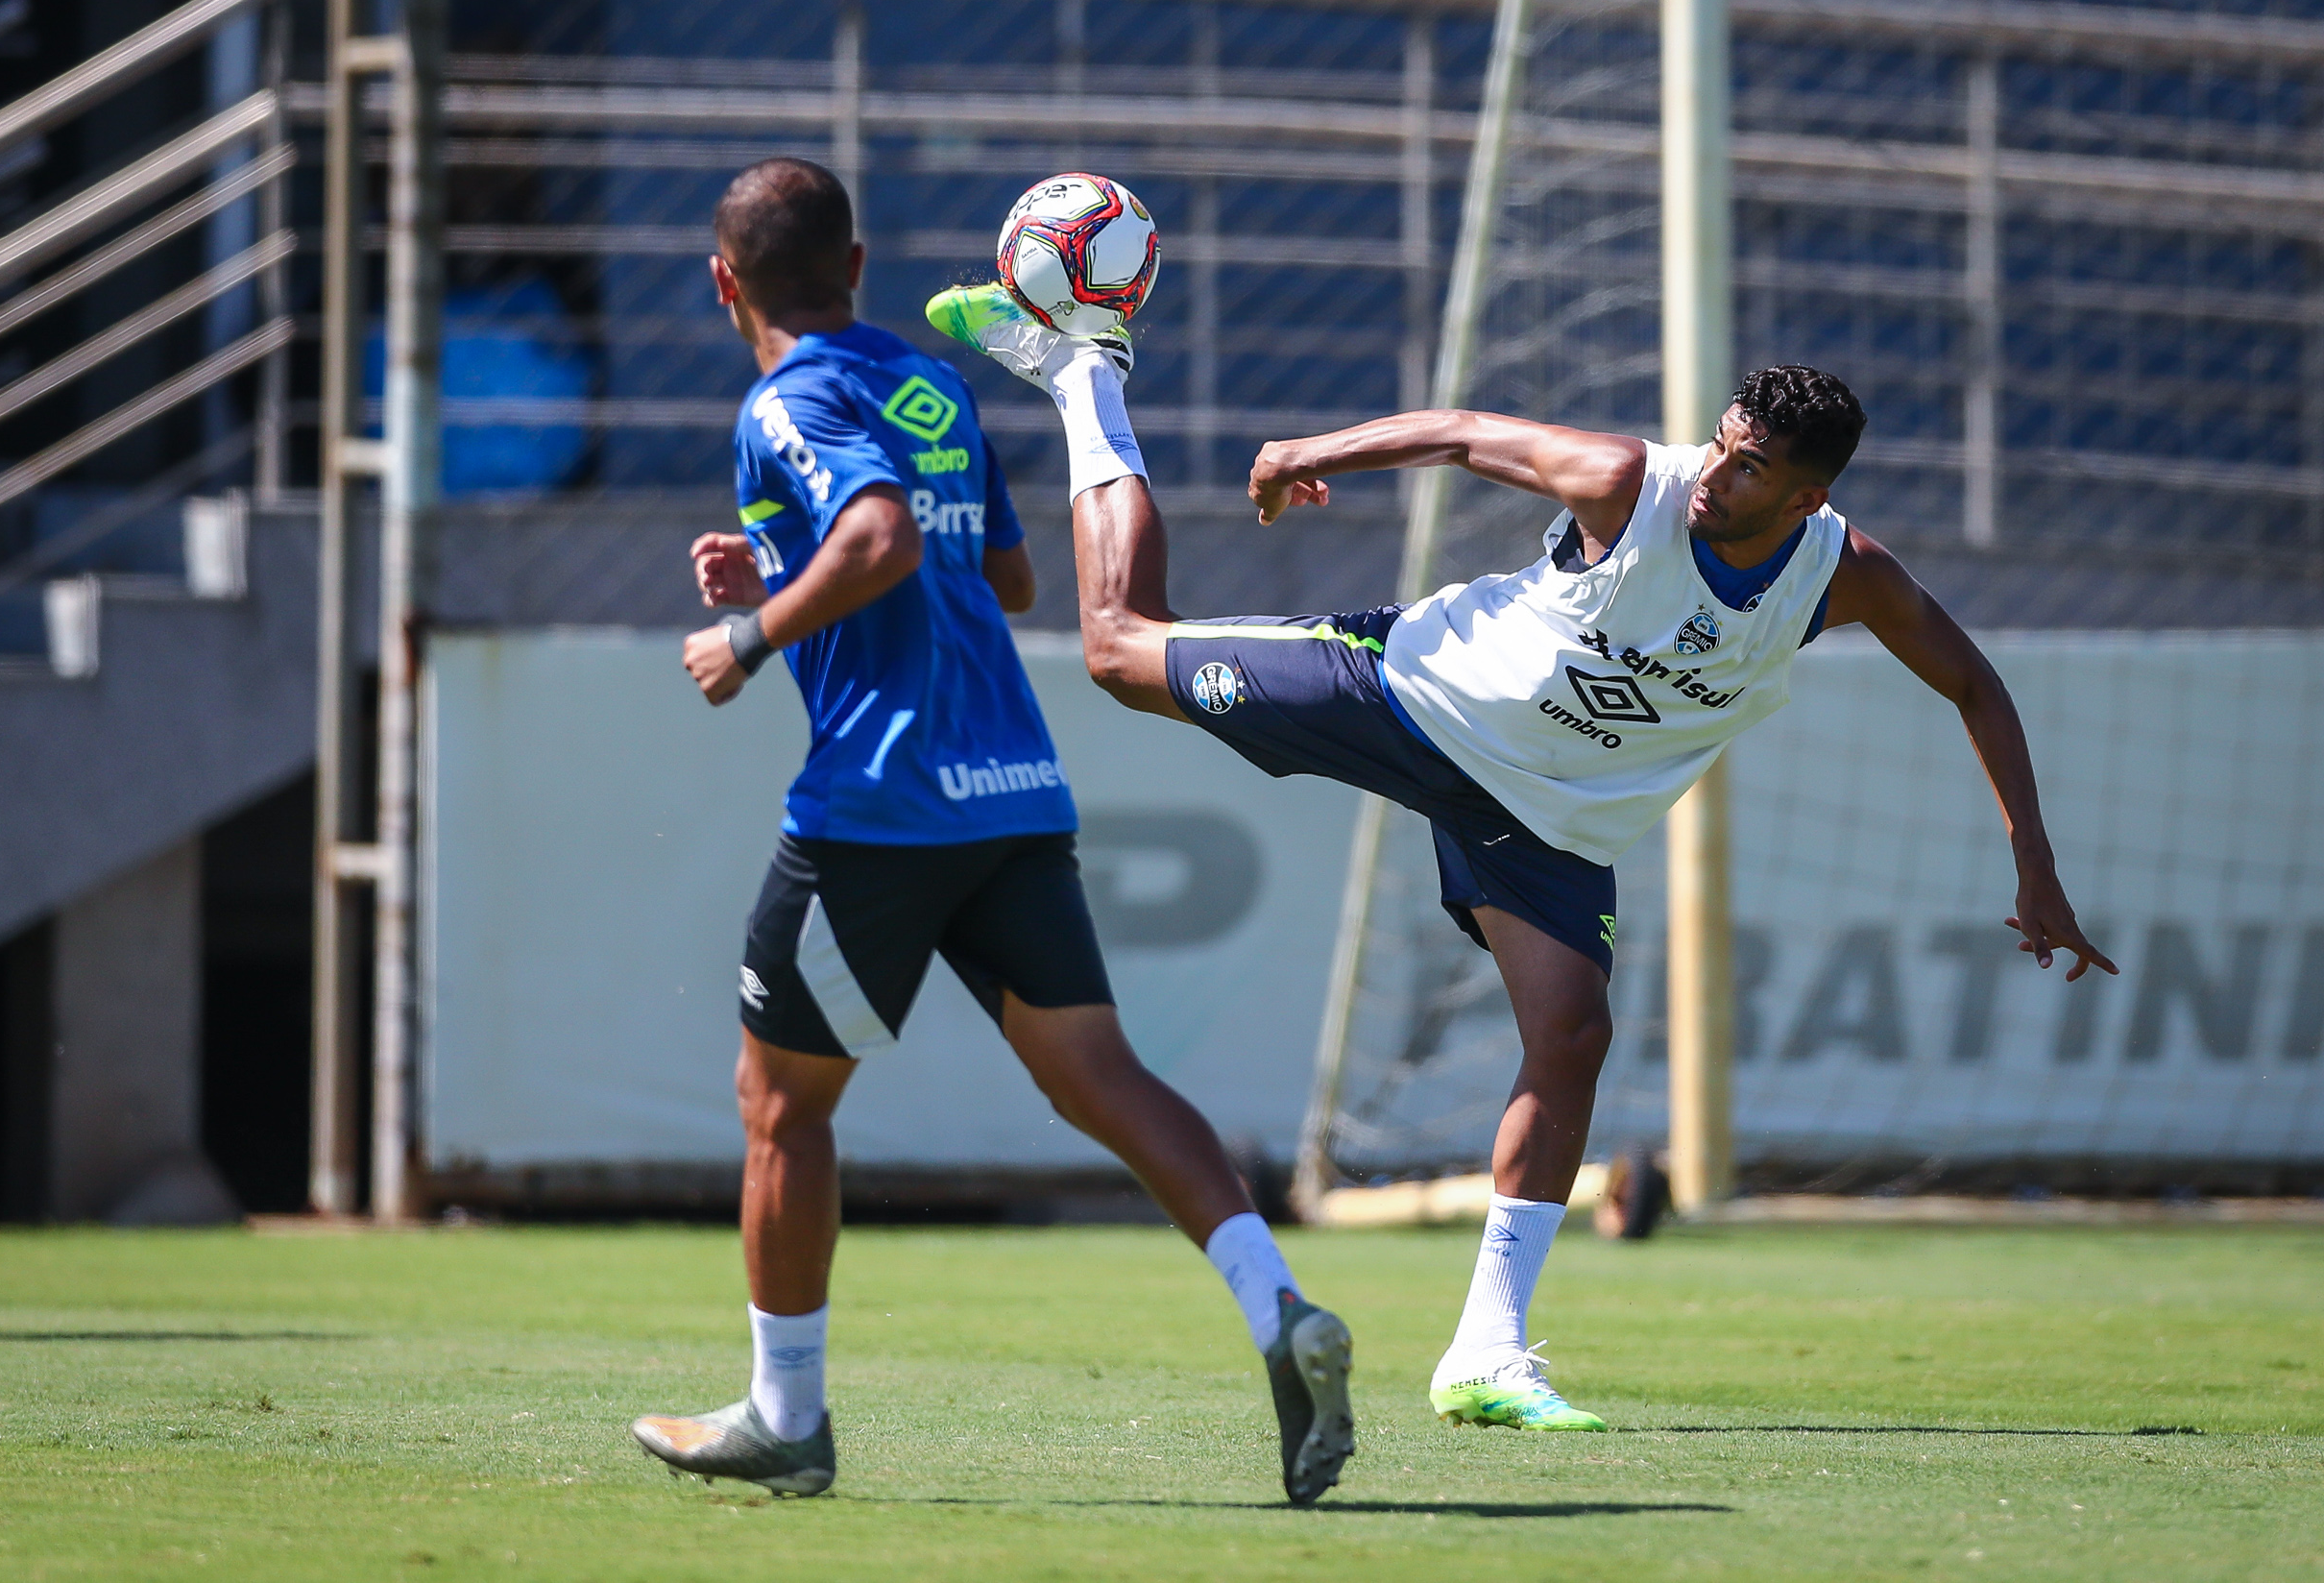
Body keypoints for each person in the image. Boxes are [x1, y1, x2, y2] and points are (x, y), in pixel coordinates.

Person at [925, 280, 2118, 1435]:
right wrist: (1307, 452)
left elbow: (1973, 682)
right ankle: (1084, 372)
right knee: (1118, 648)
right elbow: (1457, 433)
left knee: (1573, 1034)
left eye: (1750, 466)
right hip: (1404, 694)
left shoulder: (1839, 575)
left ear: (1808, 498)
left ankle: (1484, 1352)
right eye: (1719, 442)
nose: (1716, 472)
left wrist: (2035, 868)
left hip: (1544, 818)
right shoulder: (1629, 485)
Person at [628, 159, 1354, 1505]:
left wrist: (751, 626)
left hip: (882, 805)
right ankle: (1279, 1307)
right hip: (1011, 783)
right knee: (1103, 1078)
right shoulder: (928, 384)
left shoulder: (784, 397)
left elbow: (887, 537)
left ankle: (787, 1416)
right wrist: (787, 565)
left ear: (724, 283)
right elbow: (999, 572)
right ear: (857, 266)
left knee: (779, 1106)